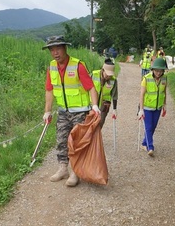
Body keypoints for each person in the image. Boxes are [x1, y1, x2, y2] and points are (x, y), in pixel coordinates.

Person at [42, 35, 100, 187]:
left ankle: (75, 171)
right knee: (61, 140)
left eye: (58, 48)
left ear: (65, 48)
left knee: (77, 142)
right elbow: (49, 90)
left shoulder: (78, 66)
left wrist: (94, 106)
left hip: (80, 112)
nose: (55, 52)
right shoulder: (52, 67)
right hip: (63, 112)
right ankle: (63, 169)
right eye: (52, 49)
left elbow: (91, 87)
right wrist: (47, 111)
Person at [137, 58, 167, 156]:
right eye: (157, 70)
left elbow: (164, 92)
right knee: (148, 127)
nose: (158, 73)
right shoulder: (146, 78)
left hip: (158, 107)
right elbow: (141, 94)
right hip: (147, 107)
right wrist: (141, 110)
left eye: (160, 71)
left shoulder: (164, 78)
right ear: (153, 69)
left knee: (153, 127)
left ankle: (144, 143)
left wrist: (164, 105)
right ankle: (150, 147)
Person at [90, 58, 118, 128]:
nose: (108, 76)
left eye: (110, 75)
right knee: (89, 125)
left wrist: (114, 109)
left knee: (99, 125)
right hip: (92, 104)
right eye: (107, 74)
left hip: (104, 106)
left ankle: (96, 138)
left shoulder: (113, 80)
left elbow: (114, 95)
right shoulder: (94, 75)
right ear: (103, 70)